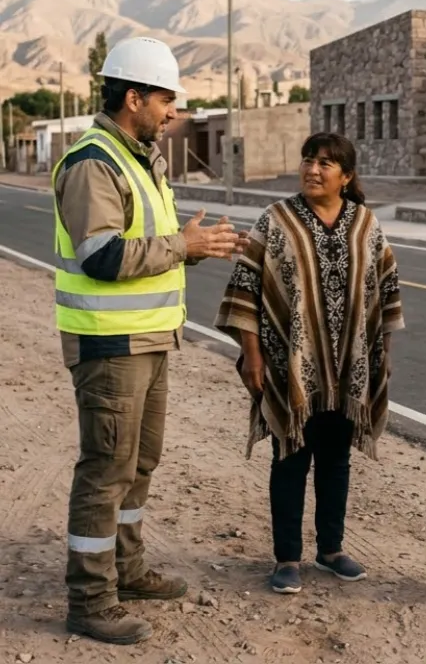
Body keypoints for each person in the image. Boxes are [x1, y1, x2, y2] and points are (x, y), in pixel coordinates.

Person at [53, 36, 246, 645]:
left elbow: (147, 246)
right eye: (166, 99)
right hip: (109, 345)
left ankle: (127, 570)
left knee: (139, 464)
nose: (173, 112)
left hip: (149, 339)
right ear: (133, 96)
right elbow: (101, 256)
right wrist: (181, 248)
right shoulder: (94, 160)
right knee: (106, 469)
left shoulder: (139, 158)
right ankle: (89, 597)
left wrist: (187, 248)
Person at [214, 131, 404, 596]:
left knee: (336, 460)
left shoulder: (365, 224)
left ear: (347, 176)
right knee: (290, 457)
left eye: (325, 163)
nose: (312, 170)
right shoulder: (276, 221)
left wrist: (380, 359)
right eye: (307, 160)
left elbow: (385, 290)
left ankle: (332, 548)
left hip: (347, 369)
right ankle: (286, 557)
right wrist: (254, 357)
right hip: (288, 366)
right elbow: (246, 289)